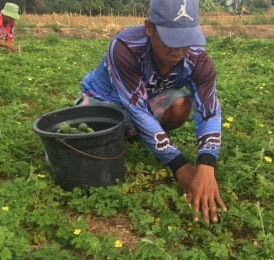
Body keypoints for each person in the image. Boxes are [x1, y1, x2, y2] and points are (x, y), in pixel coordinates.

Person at [76, 0, 227, 224]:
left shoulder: (198, 60)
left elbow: (209, 112)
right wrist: (180, 166)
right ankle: (136, 134)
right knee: (90, 132)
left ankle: (140, 135)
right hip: (105, 102)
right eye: (170, 41)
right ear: (149, 28)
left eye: (185, 42)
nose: (178, 51)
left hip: (145, 101)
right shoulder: (125, 47)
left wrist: (206, 166)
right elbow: (138, 110)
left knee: (180, 105)